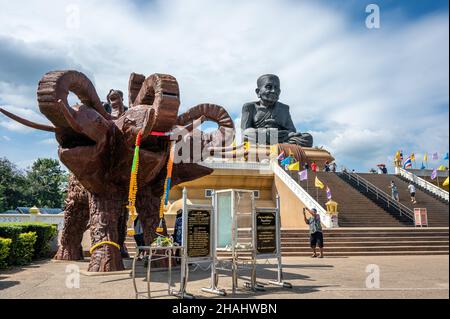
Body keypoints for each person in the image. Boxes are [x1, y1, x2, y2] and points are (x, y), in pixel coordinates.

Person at [241, 74, 313, 146]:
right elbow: (244, 131)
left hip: (280, 136)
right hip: (260, 136)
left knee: (307, 137)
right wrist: (266, 131)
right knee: (247, 134)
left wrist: (276, 126)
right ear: (258, 91)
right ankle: (277, 143)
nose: (273, 91)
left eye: (276, 88)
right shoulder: (250, 107)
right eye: (269, 87)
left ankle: (275, 142)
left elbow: (292, 131)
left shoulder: (284, 108)